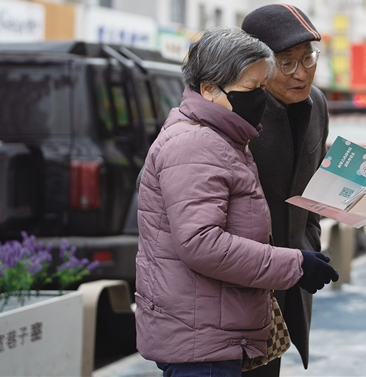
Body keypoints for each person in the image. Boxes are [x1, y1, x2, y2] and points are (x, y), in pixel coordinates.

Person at [134, 27, 338, 377]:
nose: (260, 98)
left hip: (214, 330)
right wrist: (296, 264)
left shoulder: (224, 136)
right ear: (210, 88)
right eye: (252, 89)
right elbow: (201, 243)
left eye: (263, 87)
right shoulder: (195, 143)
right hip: (202, 342)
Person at [240, 4, 329, 376]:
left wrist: (310, 241)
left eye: (308, 59)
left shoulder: (318, 104)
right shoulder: (234, 111)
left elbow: (315, 188)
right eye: (287, 63)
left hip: (293, 279)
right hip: (238, 285)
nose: (301, 73)